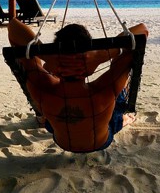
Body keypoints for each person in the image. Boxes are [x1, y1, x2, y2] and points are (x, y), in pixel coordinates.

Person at [8, 18, 149, 153]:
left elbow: (13, 26)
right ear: (89, 56)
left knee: (51, 118)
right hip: (100, 141)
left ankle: (46, 118)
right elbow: (142, 30)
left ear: (55, 57)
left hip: (61, 140)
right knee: (118, 100)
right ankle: (123, 120)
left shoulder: (43, 87)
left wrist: (46, 56)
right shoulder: (105, 90)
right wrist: (100, 56)